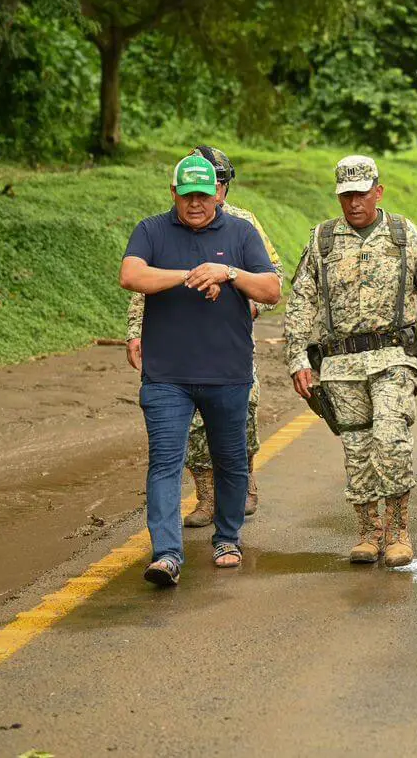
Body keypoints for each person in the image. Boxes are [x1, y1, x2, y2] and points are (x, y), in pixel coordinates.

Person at [120, 153, 281, 586]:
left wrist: (227, 272)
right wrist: (190, 275)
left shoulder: (241, 231)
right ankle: (167, 554)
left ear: (218, 194)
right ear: (174, 193)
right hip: (167, 375)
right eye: (187, 195)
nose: (196, 203)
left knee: (231, 461)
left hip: (227, 372)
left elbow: (271, 289)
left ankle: (227, 538)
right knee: (165, 463)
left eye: (204, 195)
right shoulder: (152, 230)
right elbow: (131, 275)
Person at [284, 155, 417, 568]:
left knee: (390, 440)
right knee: (357, 449)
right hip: (340, 364)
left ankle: (399, 530)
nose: (353, 203)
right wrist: (298, 357)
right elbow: (302, 299)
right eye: (346, 195)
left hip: (392, 357)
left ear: (378, 192)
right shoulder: (322, 239)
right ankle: (368, 532)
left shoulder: (404, 234)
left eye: (361, 194)